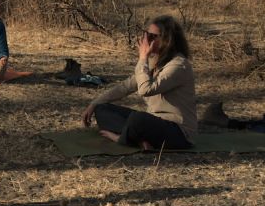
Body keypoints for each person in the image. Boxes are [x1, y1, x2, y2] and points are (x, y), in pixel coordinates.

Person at [81, 15, 197, 150]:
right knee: (102, 108)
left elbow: (145, 90)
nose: (146, 40)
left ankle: (123, 138)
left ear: (167, 40)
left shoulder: (178, 65)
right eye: (146, 35)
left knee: (138, 119)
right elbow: (125, 87)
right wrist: (94, 103)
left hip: (178, 131)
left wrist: (143, 59)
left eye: (153, 37)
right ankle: (139, 139)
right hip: (154, 123)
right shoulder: (155, 61)